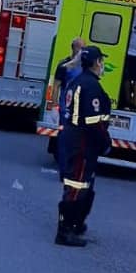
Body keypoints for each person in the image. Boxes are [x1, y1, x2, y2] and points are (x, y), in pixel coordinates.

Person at [55, 46, 112, 247]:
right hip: (83, 143)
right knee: (76, 186)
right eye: (101, 61)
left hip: (73, 138)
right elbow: (94, 121)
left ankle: (76, 224)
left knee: (81, 185)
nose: (102, 65)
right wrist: (106, 142)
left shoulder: (77, 81)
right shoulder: (91, 86)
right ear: (97, 62)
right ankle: (65, 230)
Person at [52, 37, 85, 179]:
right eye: (80, 48)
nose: (82, 51)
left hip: (81, 108)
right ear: (73, 48)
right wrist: (54, 106)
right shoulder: (64, 65)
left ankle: (72, 168)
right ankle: (64, 169)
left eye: (84, 48)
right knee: (64, 138)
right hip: (66, 108)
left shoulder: (85, 66)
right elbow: (56, 86)